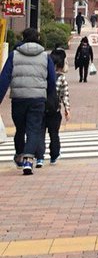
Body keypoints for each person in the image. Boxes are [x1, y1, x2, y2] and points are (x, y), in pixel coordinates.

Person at [0, 27, 57, 174]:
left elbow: (5, 78)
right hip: (38, 99)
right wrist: (50, 96)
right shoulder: (45, 56)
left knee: (20, 129)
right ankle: (28, 160)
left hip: (19, 99)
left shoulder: (14, 55)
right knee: (34, 129)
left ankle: (20, 155)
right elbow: (52, 79)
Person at [44, 48, 70, 165]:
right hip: (55, 109)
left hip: (41, 107)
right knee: (54, 134)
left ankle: (39, 157)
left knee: (39, 132)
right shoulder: (61, 78)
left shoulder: (43, 75)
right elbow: (65, 95)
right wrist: (67, 110)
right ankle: (54, 156)